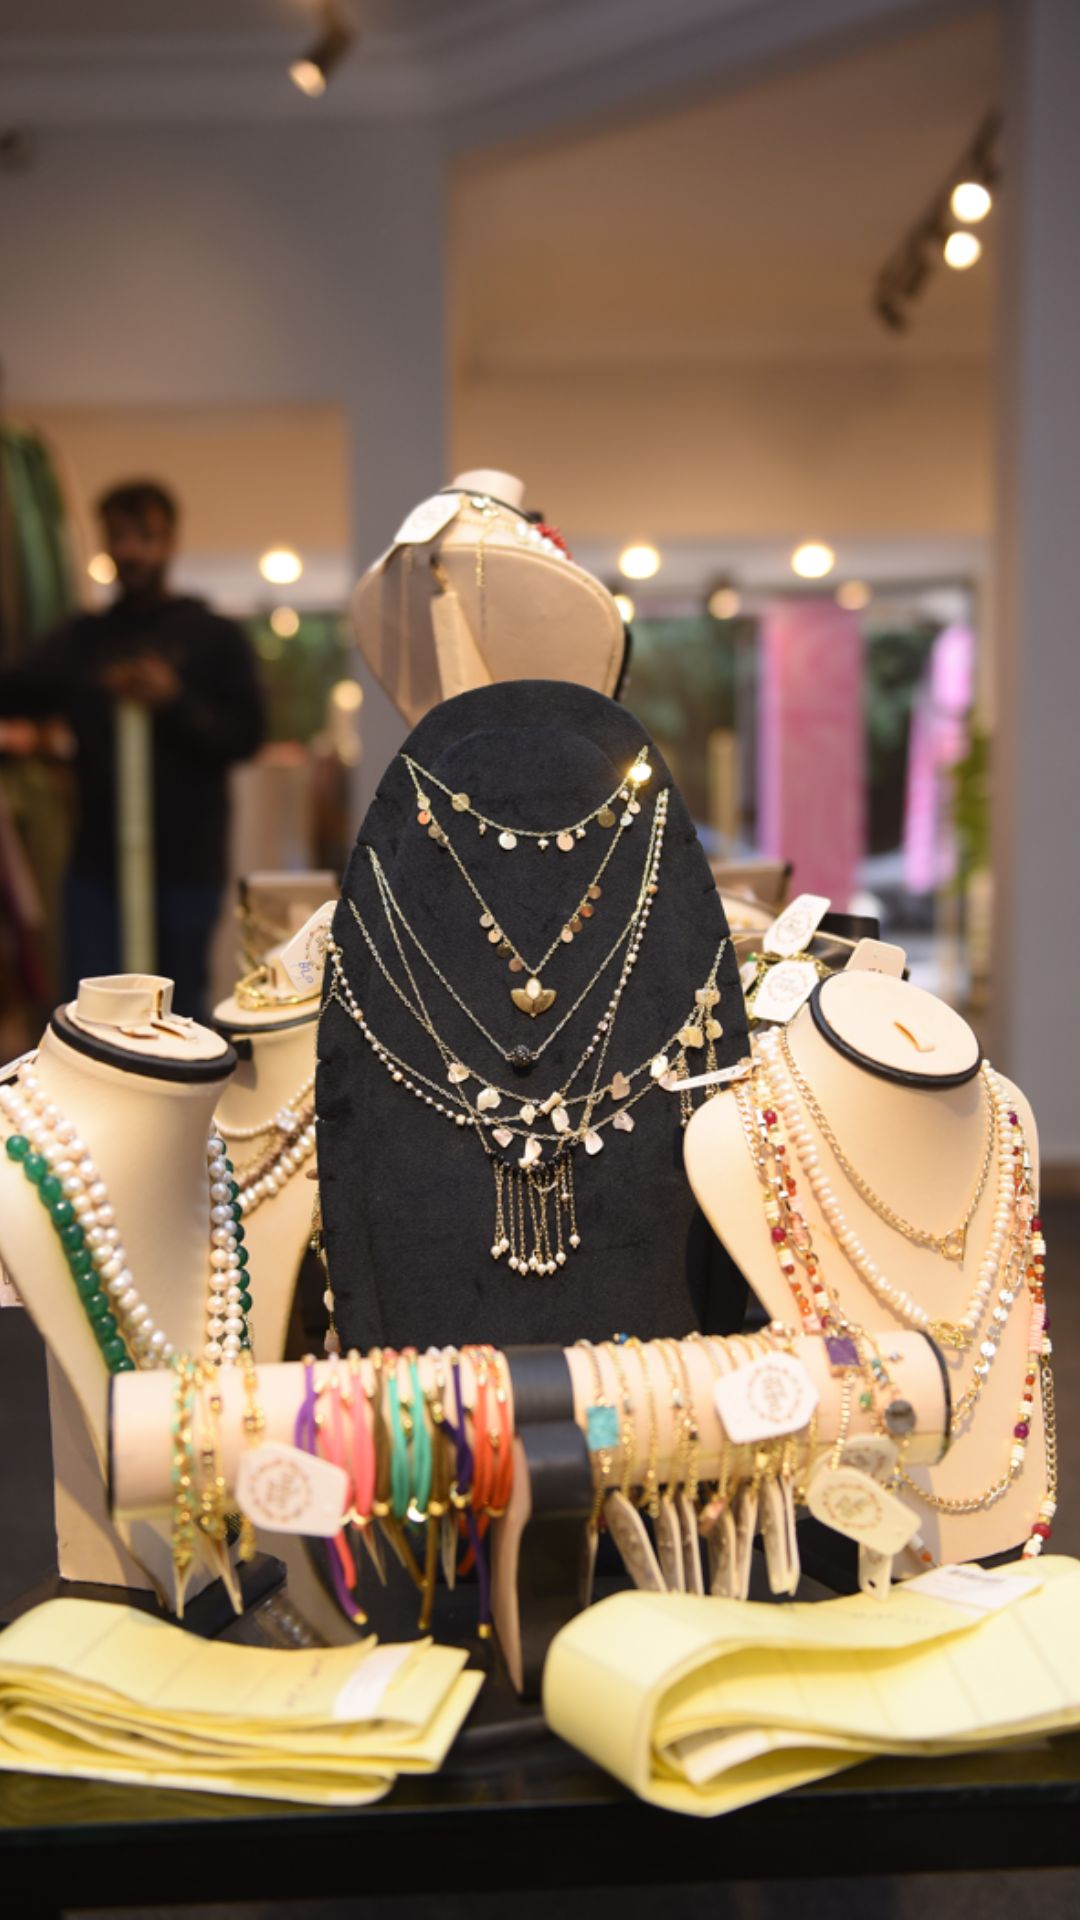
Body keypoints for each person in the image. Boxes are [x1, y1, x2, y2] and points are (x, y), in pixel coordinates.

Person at [0, 480, 265, 1019]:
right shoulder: (82, 639)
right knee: (92, 1009)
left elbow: (246, 735)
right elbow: (16, 690)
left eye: (146, 536)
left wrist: (175, 699)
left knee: (177, 1009)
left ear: (170, 541)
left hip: (187, 860)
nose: (132, 550)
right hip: (98, 861)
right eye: (119, 536)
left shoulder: (212, 636)